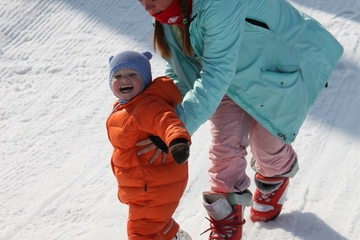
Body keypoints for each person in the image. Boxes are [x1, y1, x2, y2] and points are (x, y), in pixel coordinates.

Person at [134, 0, 344, 239]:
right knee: (224, 148)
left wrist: (176, 130)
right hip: (228, 80)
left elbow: (215, 75)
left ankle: (275, 176)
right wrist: (160, 116)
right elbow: (181, 72)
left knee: (267, 147)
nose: (145, 4)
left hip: (277, 66)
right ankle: (227, 220)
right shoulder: (166, 15)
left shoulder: (218, 3)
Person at [105, 50, 193, 239]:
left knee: (141, 232)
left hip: (151, 187)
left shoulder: (147, 106)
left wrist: (177, 140)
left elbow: (167, 121)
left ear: (145, 80)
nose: (124, 80)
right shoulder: (125, 106)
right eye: (117, 76)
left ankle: (170, 233)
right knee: (153, 222)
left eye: (132, 74)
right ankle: (173, 234)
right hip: (145, 185)